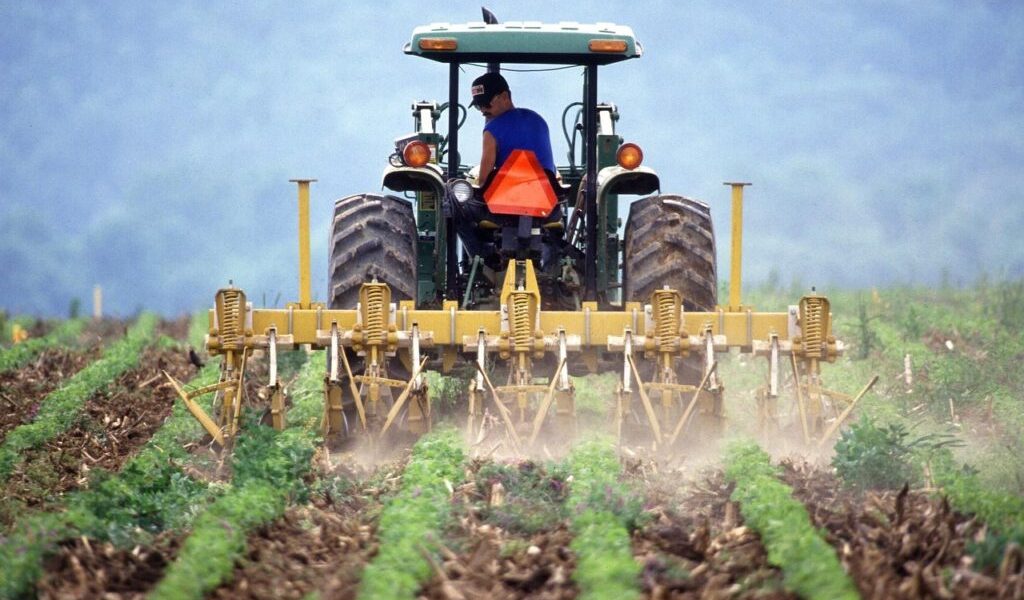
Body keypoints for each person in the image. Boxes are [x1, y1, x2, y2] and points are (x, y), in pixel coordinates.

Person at [469, 72, 555, 186]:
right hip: (548, 197)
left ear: (504, 96)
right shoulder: (539, 120)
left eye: (486, 104)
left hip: (510, 199)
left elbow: (484, 181)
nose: (483, 110)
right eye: (478, 106)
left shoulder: (491, 130)